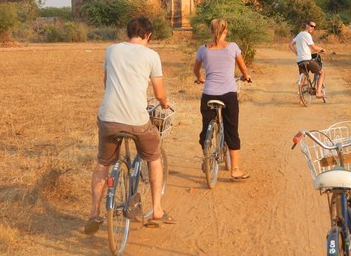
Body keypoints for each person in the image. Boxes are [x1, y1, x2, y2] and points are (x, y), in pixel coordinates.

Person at [84, 17, 175, 235]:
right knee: (153, 158)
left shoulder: (111, 50)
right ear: (148, 35)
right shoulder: (152, 56)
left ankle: (94, 213)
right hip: (137, 120)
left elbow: (107, 84)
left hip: (108, 117)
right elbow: (159, 93)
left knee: (102, 164)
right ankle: (158, 210)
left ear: (128, 33)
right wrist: (165, 102)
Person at [192, 18, 251, 180]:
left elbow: (195, 69)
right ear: (226, 31)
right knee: (232, 130)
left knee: (206, 128)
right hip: (228, 94)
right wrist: (246, 76)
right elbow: (242, 67)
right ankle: (235, 169)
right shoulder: (233, 47)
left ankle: (206, 155)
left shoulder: (203, 50)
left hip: (209, 94)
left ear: (211, 31)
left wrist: (200, 78)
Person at [289, 20, 326, 99]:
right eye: (311, 26)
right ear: (306, 25)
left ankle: (301, 99)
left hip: (299, 61)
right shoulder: (307, 35)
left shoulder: (299, 35)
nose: (313, 28)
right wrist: (322, 49)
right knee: (322, 72)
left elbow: (291, 44)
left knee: (303, 79)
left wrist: (297, 53)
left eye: (314, 27)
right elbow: (314, 47)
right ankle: (318, 92)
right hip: (307, 60)